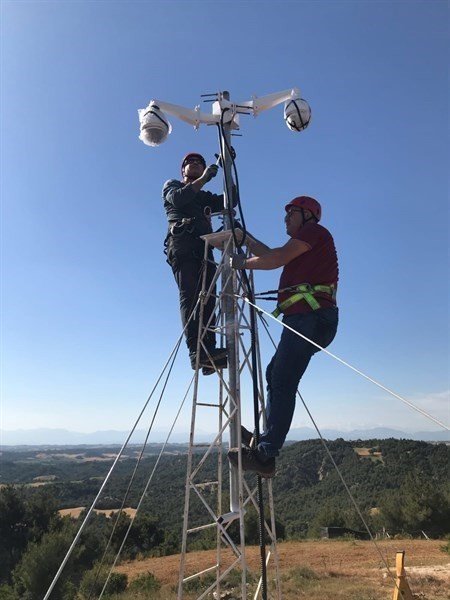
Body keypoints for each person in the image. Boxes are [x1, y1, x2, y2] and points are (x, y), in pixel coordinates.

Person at [227, 196, 339, 477]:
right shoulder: (305, 242)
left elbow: (275, 259)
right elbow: (271, 255)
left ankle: (266, 453)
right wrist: (246, 239)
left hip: (310, 318)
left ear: (307, 214)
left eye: (290, 213)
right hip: (309, 319)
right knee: (275, 373)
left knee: (282, 379)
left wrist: (239, 263)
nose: (285, 219)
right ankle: (267, 440)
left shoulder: (314, 232)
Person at [162, 152, 234, 375]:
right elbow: (178, 199)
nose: (194, 165)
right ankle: (196, 352)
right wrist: (204, 178)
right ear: (182, 171)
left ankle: (208, 349)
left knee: (209, 299)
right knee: (191, 295)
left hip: (204, 249)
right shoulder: (171, 186)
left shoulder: (203, 198)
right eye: (189, 163)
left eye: (198, 163)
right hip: (183, 246)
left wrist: (229, 169)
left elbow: (229, 201)